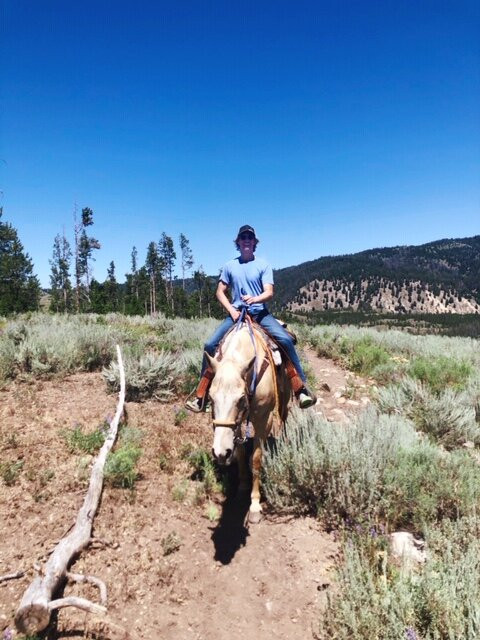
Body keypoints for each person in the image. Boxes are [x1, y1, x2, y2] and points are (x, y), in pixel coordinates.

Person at [185, 225, 317, 412]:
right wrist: (231, 310)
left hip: (259, 313)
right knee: (210, 345)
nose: (247, 240)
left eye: (250, 237)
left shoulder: (263, 265)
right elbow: (220, 292)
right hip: (237, 314)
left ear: (255, 243)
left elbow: (269, 292)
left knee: (285, 340)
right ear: (238, 242)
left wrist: (255, 299)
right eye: (243, 237)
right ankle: (202, 395)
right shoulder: (230, 266)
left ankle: (300, 387)